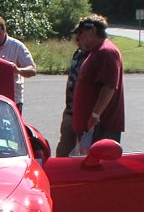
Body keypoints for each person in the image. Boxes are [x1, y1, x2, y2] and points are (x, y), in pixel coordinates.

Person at [71, 14, 125, 149]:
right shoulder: (95, 51)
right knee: (85, 160)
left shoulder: (106, 51)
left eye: (81, 33)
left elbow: (109, 86)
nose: (79, 37)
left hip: (100, 126)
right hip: (90, 127)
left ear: (93, 30)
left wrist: (95, 115)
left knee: (98, 160)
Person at [54, 29, 90, 157]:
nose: (79, 42)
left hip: (86, 115)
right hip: (70, 110)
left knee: (84, 152)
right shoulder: (77, 54)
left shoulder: (94, 56)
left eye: (81, 38)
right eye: (77, 39)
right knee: (63, 151)